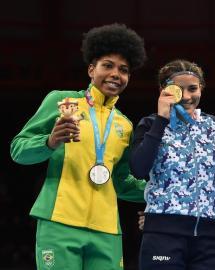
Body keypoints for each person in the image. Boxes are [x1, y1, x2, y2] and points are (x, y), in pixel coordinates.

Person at [10, 23, 147, 270]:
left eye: (124, 69)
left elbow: (122, 181)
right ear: (91, 69)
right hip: (60, 222)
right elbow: (18, 150)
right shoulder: (61, 101)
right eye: (108, 65)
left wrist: (159, 192)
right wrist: (49, 142)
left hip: (106, 229)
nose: (116, 74)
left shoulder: (124, 126)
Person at [130, 59, 215, 270]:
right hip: (163, 236)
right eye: (178, 89)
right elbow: (138, 169)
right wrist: (162, 119)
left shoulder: (213, 126)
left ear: (201, 88)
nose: (186, 96)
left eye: (193, 88)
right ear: (163, 90)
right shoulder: (149, 124)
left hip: (210, 237)